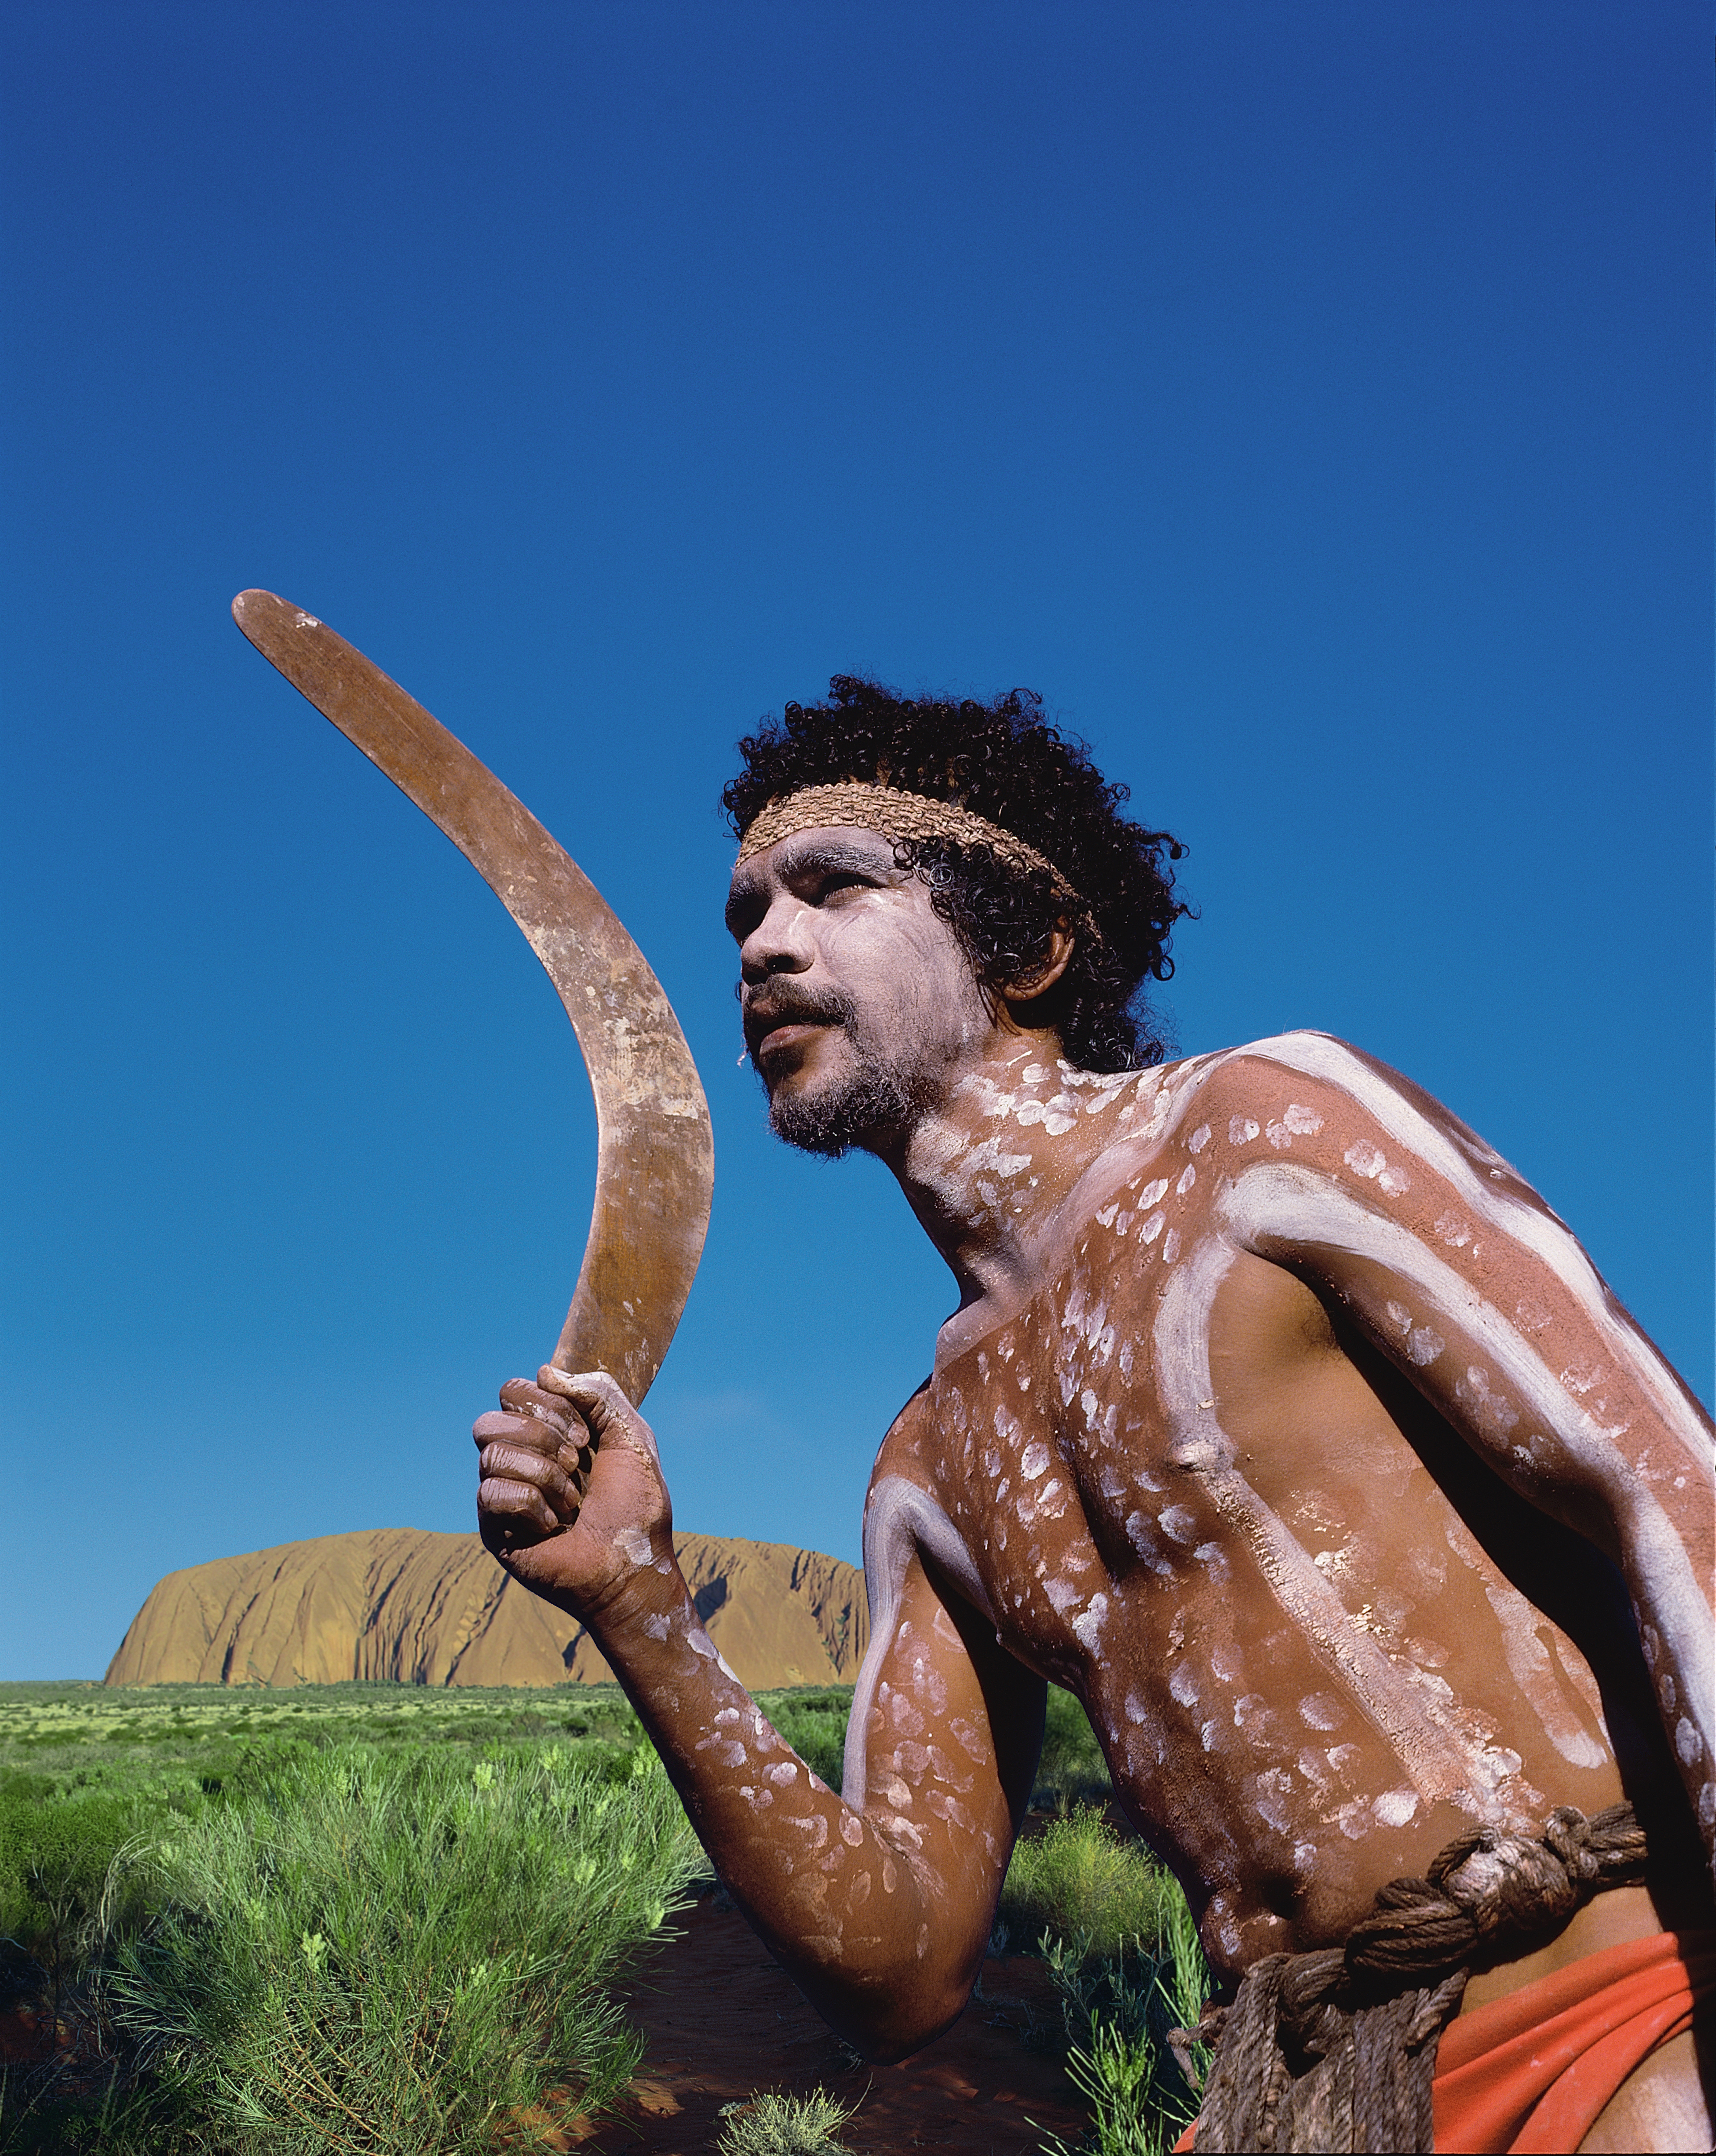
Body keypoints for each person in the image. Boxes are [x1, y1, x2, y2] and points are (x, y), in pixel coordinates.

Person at [473, 681, 1714, 2153]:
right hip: (1297, 2100)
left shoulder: (1265, 1133)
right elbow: (905, 1964)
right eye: (744, 912)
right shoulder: (928, 1461)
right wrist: (640, 1606)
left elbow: (1662, 1486)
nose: (762, 945)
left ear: (1035, 946)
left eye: (833, 887)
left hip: (1620, 2023)